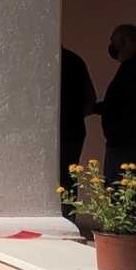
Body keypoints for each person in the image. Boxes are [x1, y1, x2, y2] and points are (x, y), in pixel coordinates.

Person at [94, 23, 136, 259]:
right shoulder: (130, 68)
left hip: (131, 146)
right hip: (120, 143)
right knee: (117, 192)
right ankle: (124, 237)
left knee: (132, 193)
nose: (112, 47)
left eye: (115, 42)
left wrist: (104, 110)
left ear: (127, 42)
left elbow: (132, 106)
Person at [60, 46, 96, 186]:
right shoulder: (74, 60)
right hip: (73, 130)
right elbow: (90, 100)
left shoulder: (45, 60)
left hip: (66, 131)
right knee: (68, 179)